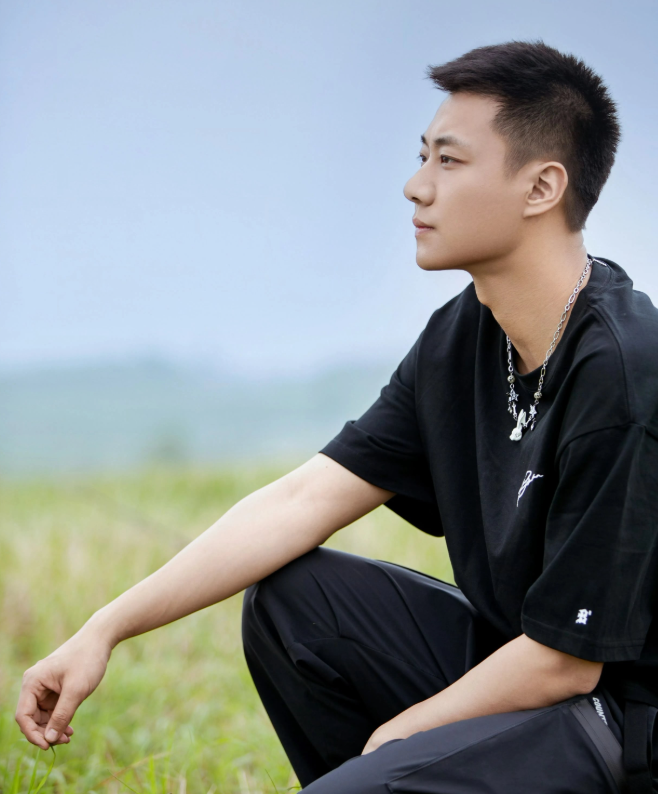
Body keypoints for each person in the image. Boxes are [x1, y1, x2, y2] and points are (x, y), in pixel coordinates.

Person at [16, 40, 658, 794]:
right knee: (295, 599)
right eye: (422, 157)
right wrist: (104, 629)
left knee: (376, 775)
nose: (416, 187)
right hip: (522, 669)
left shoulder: (622, 369)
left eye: (449, 161)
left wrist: (400, 736)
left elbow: (567, 661)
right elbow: (303, 499)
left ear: (542, 186)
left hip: (618, 724)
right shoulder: (465, 336)